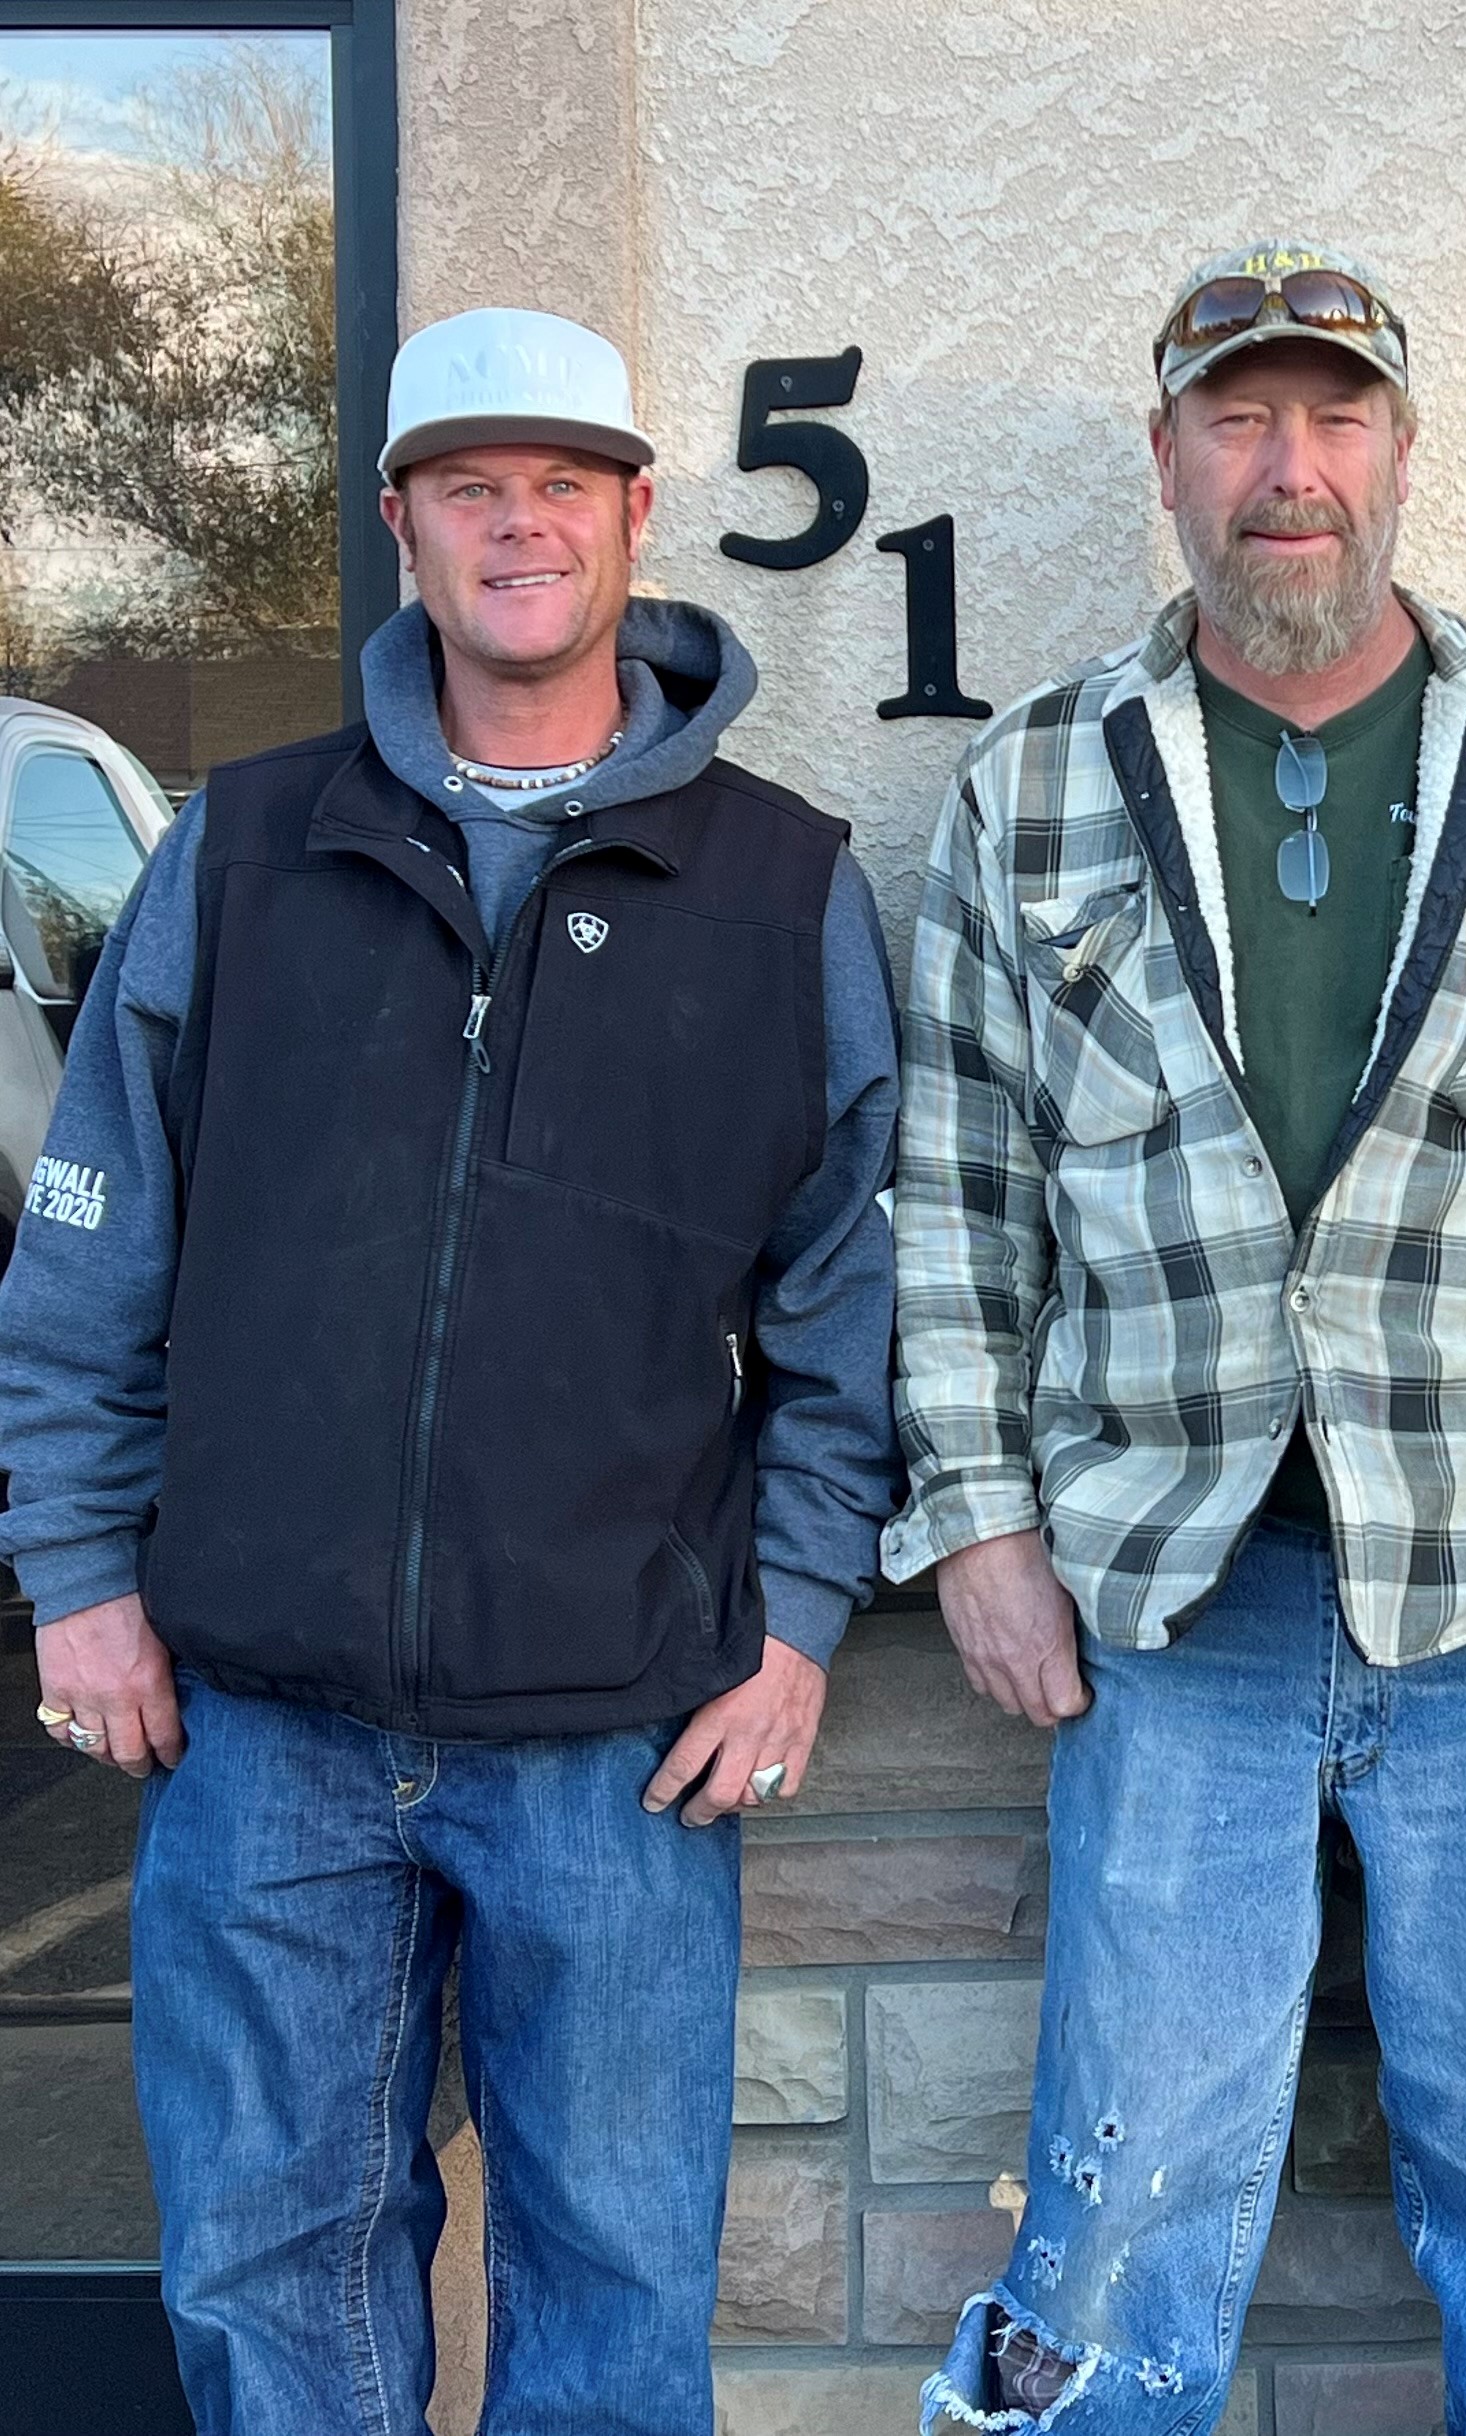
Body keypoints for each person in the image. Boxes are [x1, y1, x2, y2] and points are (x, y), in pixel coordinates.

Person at [884, 240, 1466, 2436]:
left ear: (1398, 450)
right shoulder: (1036, 787)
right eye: (1238, 420)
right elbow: (956, 1188)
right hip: (1172, 1606)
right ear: (1166, 459)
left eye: (1334, 417)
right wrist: (977, 1526)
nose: (1289, 469)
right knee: (1120, 2185)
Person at [0, 307, 903, 2435]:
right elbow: (94, 1235)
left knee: (610, 2284)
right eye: (469, 487)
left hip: (616, 1738)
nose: (519, 525)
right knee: (268, 2267)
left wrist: (793, 1620)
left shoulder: (781, 890)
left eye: (562, 484)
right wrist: (76, 1566)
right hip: (262, 1724)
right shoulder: (239, 850)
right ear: (401, 526)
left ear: (636, 518)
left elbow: (848, 1293)